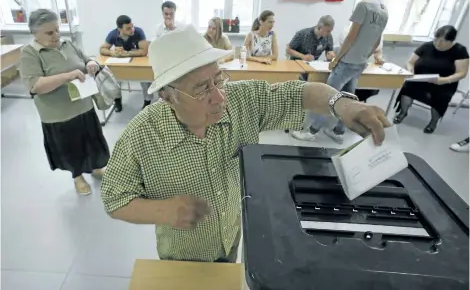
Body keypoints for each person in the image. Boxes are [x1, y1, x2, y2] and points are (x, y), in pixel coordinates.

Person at [101, 24, 390, 263]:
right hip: (182, 256)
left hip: (232, 240)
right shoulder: (142, 135)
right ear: (168, 96)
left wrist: (341, 104)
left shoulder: (242, 101)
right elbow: (115, 199)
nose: (219, 97)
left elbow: (298, 94)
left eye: (219, 80)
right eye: (202, 89)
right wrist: (161, 211)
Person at [20, 9, 109, 195]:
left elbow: (86, 59)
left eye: (57, 30)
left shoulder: (68, 44)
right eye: (49, 33)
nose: (56, 36)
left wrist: (91, 64)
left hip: (83, 106)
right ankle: (78, 177)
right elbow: (35, 85)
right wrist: (68, 76)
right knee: (70, 147)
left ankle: (95, 167)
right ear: (34, 33)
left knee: (91, 140)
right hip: (59, 114)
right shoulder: (30, 53)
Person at [291, 0, 388, 144]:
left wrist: (336, 59)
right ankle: (338, 131)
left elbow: (351, 37)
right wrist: (365, 57)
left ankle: (312, 132)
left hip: (348, 62)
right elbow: (377, 41)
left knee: (329, 98)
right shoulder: (384, 11)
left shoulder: (364, 5)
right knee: (349, 98)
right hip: (361, 63)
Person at [393, 25, 469, 133]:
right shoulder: (427, 46)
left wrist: (444, 80)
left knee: (440, 97)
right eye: (436, 39)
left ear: (451, 41)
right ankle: (402, 113)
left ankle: (433, 123)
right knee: (407, 88)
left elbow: (462, 73)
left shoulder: (460, 51)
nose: (437, 43)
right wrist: (410, 70)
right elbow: (410, 62)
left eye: (442, 41)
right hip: (420, 80)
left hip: (444, 84)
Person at [100, 15, 153, 111]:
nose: (132, 29)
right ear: (120, 29)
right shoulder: (113, 34)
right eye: (128, 28)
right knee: (114, 77)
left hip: (138, 63)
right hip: (122, 63)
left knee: (145, 78)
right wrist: (112, 52)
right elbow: (102, 49)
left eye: (132, 26)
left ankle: (147, 101)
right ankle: (117, 101)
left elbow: (144, 51)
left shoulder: (138, 32)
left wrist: (127, 53)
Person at [337, 25, 384, 102]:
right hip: (350, 67)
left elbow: (378, 51)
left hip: (367, 69)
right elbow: (345, 52)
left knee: (373, 88)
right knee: (348, 90)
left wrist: (379, 58)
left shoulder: (377, 32)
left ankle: (354, 105)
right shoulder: (348, 31)